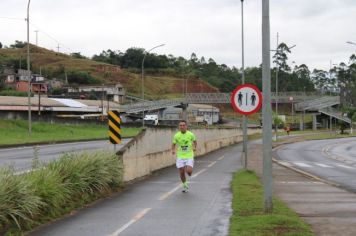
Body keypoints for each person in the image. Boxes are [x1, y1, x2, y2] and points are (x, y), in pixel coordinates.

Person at [171, 120, 197, 193]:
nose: (182, 127)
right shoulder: (176, 135)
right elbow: (173, 144)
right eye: (180, 125)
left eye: (183, 125)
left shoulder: (191, 134)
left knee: (189, 172)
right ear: (179, 127)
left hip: (189, 155)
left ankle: (188, 169)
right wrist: (173, 150)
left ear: (186, 126)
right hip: (180, 156)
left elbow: (195, 141)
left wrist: (195, 147)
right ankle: (185, 185)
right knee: (181, 172)